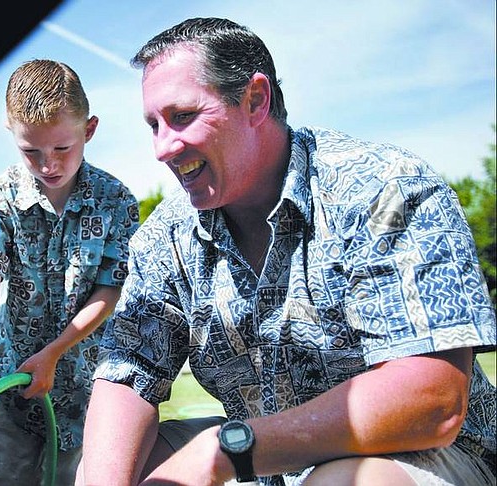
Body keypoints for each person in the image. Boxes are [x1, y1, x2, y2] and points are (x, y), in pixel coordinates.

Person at [79, 17, 496, 486]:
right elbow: (128, 372)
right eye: (153, 124)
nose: (162, 147)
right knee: (116, 464)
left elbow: (433, 400)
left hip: (425, 456)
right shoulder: (165, 237)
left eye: (182, 117)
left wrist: (225, 451)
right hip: (266, 461)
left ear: (256, 99)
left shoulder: (383, 190)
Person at [0, 59, 139, 485]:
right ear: (11, 134)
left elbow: (109, 290)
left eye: (62, 148)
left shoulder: (116, 201)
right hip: (13, 390)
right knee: (0, 476)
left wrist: (55, 351)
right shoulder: (1, 197)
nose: (48, 164)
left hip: (87, 391)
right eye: (31, 151)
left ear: (88, 130)